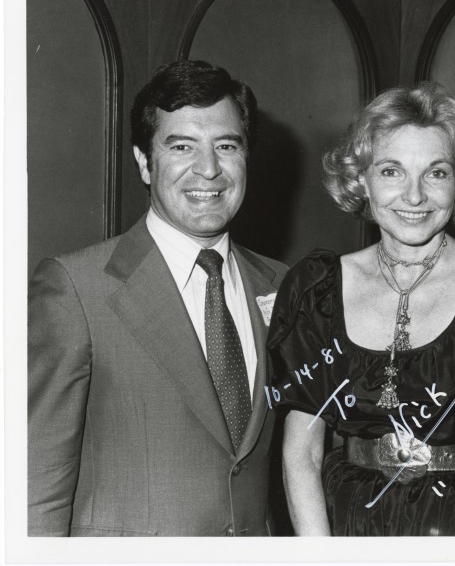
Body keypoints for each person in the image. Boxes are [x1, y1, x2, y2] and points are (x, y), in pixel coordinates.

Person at [266, 82, 455, 536]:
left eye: (436, 173)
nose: (414, 196)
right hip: (344, 529)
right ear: (361, 178)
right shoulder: (315, 290)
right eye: (392, 171)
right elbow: (301, 456)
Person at [28, 60, 288, 536]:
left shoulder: (282, 285)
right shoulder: (76, 288)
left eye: (227, 146)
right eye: (182, 146)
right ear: (145, 163)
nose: (208, 169)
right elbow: (33, 487)